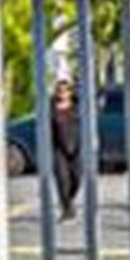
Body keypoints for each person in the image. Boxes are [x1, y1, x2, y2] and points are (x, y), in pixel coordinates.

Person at [46, 75, 87, 215]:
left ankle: (68, 200)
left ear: (70, 91)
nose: (62, 93)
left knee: (77, 178)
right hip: (59, 148)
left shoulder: (78, 105)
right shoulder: (51, 108)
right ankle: (67, 208)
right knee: (62, 179)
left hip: (76, 147)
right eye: (59, 90)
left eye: (65, 90)